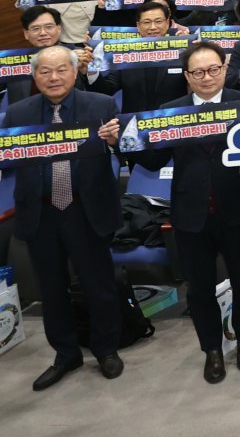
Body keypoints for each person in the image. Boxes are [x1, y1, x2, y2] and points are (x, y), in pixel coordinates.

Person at [134, 41, 240, 383]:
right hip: (191, 213)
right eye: (197, 72)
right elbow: (153, 161)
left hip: (235, 207)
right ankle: (212, 350)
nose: (206, 77)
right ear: (187, 76)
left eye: (213, 69)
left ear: (224, 68)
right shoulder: (170, 110)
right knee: (199, 288)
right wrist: (130, 140)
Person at [4, 47, 124, 392]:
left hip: (84, 210)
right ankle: (66, 354)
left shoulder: (100, 106)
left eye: (61, 71)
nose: (53, 78)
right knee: (51, 289)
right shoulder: (17, 113)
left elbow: (124, 148)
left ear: (74, 73)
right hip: (40, 212)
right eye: (45, 72)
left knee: (97, 285)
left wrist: (115, 142)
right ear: (34, 76)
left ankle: (106, 349)